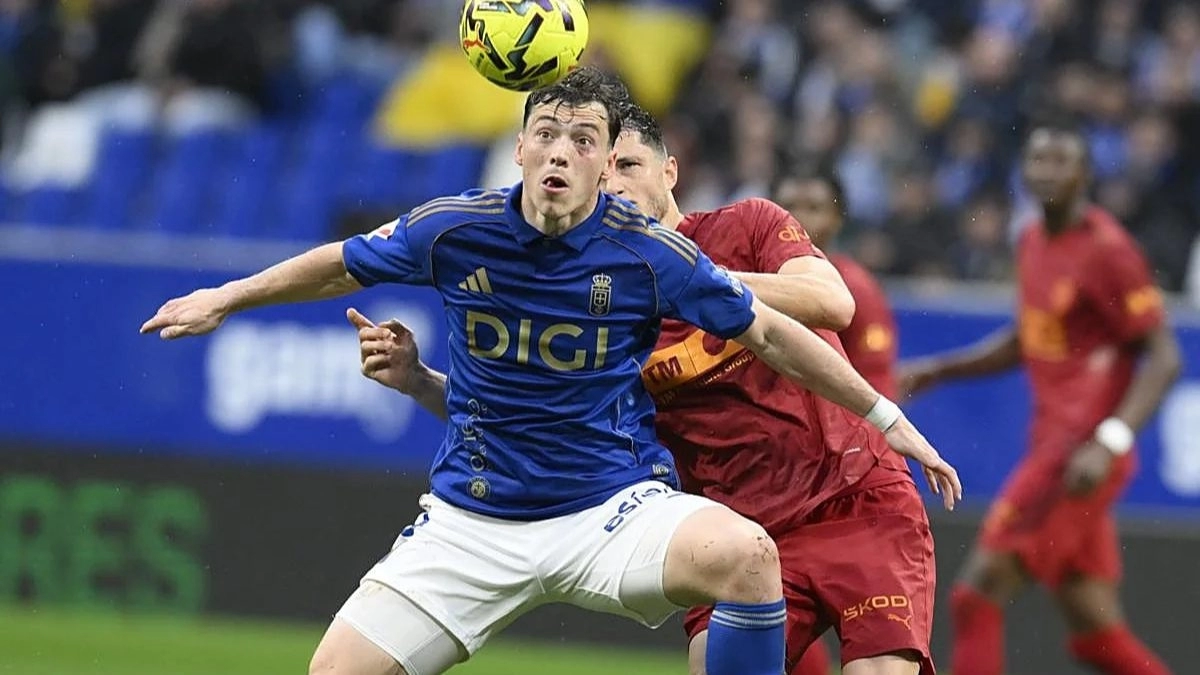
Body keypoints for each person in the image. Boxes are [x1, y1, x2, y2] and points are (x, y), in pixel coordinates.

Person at [142, 68, 959, 675]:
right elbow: (343, 265)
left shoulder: (661, 255)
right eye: (548, 135)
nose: (563, 153)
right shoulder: (455, 229)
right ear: (521, 146)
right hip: (472, 519)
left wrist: (889, 420)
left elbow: (796, 325)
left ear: (611, 163)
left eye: (587, 141)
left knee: (746, 558)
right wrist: (228, 295)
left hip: (611, 509)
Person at [352, 102, 949, 675]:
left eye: (631, 167)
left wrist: (681, 277)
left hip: (854, 501)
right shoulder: (590, 303)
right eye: (604, 174)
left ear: (671, 171)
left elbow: (830, 300)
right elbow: (514, 421)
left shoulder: (748, 225)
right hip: (736, 535)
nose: (616, 185)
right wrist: (420, 380)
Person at [900, 121, 1182, 675]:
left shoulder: (1109, 251)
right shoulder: (1031, 240)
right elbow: (1030, 338)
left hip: (1078, 457)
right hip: (1057, 446)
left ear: (1084, 174)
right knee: (1095, 630)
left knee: (975, 596)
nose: (1046, 172)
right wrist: (939, 370)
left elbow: (1165, 357)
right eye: (1037, 160)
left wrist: (1109, 440)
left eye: (1060, 162)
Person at [773, 166, 899, 399]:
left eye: (814, 208)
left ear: (837, 219)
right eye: (787, 206)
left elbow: (877, 389)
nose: (797, 218)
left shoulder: (857, 290)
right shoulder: (746, 282)